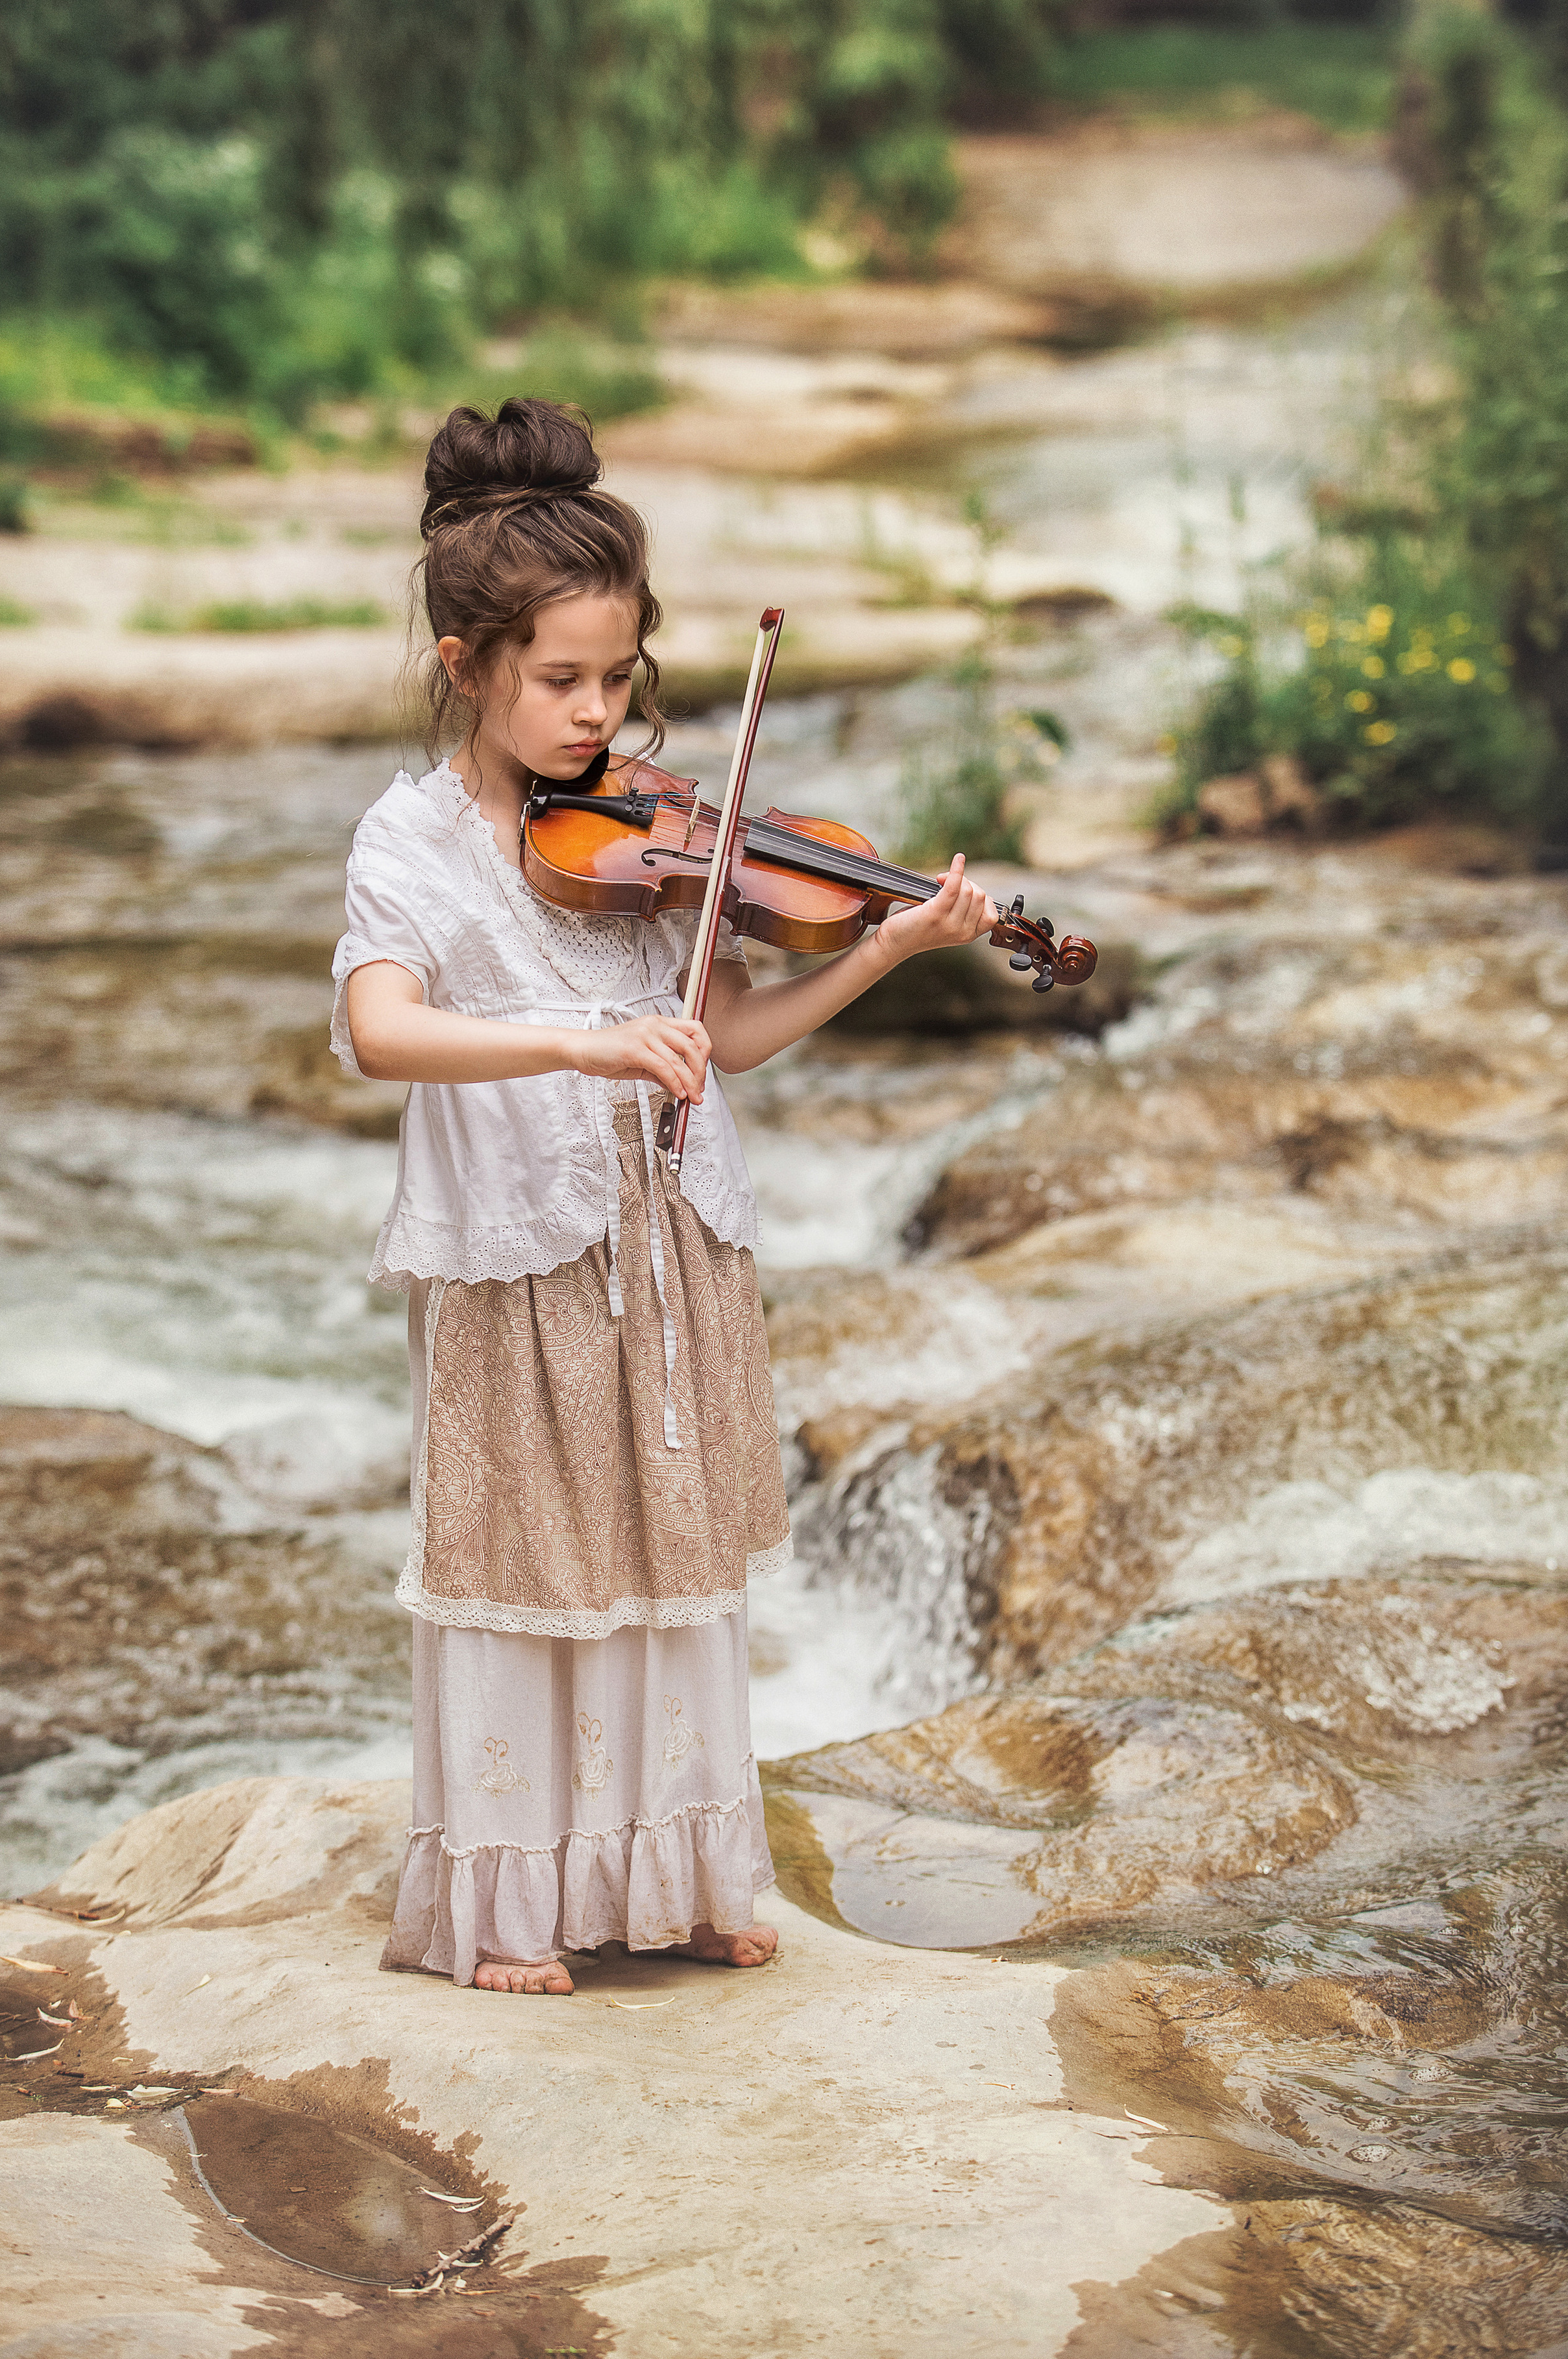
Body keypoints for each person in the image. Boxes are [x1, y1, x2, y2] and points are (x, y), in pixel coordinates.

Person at [334, 397, 998, 1995]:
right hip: (523, 1264)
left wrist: (879, 948)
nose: (594, 712)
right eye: (558, 678)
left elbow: (728, 1040)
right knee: (528, 1561)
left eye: (614, 677)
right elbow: (378, 1030)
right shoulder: (414, 841)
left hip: (671, 1243)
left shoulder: (647, 831)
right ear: (462, 662)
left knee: (666, 1561)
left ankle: (678, 1875)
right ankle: (509, 1905)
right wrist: (577, 1041)